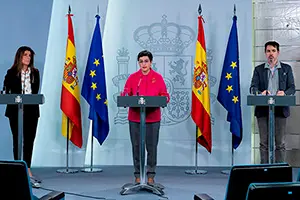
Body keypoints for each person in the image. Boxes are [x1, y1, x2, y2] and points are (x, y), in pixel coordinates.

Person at [122, 50, 170, 184]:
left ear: (151, 62)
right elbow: (126, 93)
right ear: (138, 63)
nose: (144, 64)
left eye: (146, 61)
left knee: (152, 147)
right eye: (141, 61)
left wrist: (164, 98)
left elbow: (165, 95)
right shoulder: (133, 78)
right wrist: (125, 96)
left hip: (152, 119)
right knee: (136, 147)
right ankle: (138, 175)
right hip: (135, 119)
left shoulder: (158, 77)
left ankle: (150, 176)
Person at [250, 41, 295, 163]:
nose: (271, 54)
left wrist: (284, 93)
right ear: (265, 53)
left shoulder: (286, 69)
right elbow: (253, 88)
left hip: (280, 110)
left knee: (280, 143)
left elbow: (292, 88)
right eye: (268, 51)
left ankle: (279, 170)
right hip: (263, 110)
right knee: (264, 143)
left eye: (273, 51)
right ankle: (264, 169)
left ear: (278, 53)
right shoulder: (258, 70)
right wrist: (260, 93)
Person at [3, 46, 41, 187]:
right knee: (17, 141)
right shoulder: (11, 73)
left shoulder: (35, 73)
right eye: (25, 55)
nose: (28, 58)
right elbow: (7, 90)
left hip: (31, 112)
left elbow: (35, 92)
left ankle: (28, 169)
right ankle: (19, 170)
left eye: (30, 55)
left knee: (29, 140)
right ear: (19, 56)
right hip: (15, 111)